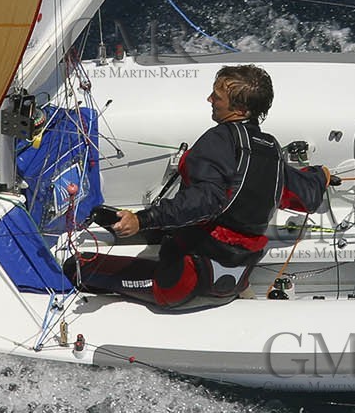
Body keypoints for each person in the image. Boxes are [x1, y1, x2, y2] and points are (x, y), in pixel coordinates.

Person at [71, 65, 330, 309]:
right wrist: (321, 176)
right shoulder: (270, 150)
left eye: (216, 96)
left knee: (75, 267)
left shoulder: (217, 140)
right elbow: (304, 194)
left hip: (182, 286)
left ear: (239, 109)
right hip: (232, 283)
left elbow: (206, 200)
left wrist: (142, 219)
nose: (209, 99)